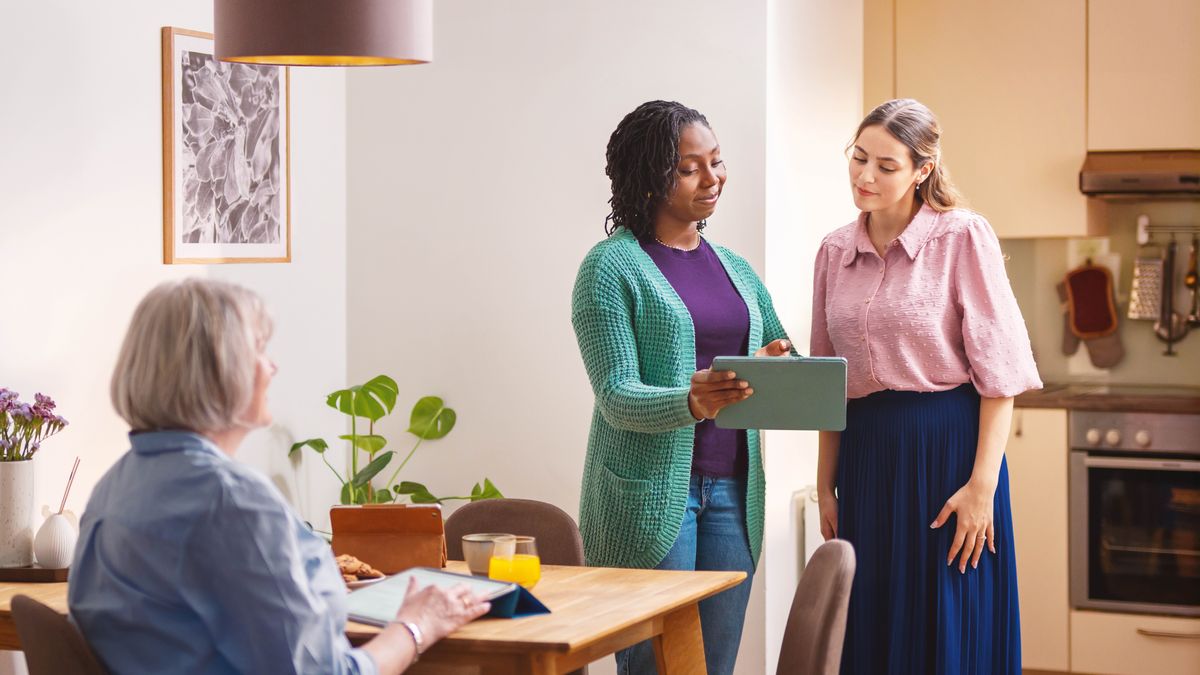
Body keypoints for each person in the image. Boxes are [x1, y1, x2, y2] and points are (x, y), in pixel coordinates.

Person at [69, 278, 490, 675]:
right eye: (259, 349)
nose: (272, 367)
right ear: (220, 370)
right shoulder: (232, 501)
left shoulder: (113, 488)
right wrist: (416, 626)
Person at [811, 98, 1041, 674]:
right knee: (872, 620)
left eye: (886, 166)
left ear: (923, 170)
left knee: (946, 620)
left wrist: (982, 487)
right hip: (865, 457)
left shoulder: (962, 236)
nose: (865, 176)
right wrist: (825, 485)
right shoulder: (834, 251)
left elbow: (1000, 377)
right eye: (859, 157)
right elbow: (828, 379)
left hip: (949, 456)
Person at [571, 100, 792, 675]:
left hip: (734, 494)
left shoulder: (735, 268)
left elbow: (781, 350)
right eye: (690, 168)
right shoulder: (609, 268)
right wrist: (692, 401)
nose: (712, 178)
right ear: (648, 177)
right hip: (649, 497)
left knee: (713, 666)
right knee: (655, 667)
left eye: (716, 161)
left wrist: (775, 365)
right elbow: (617, 395)